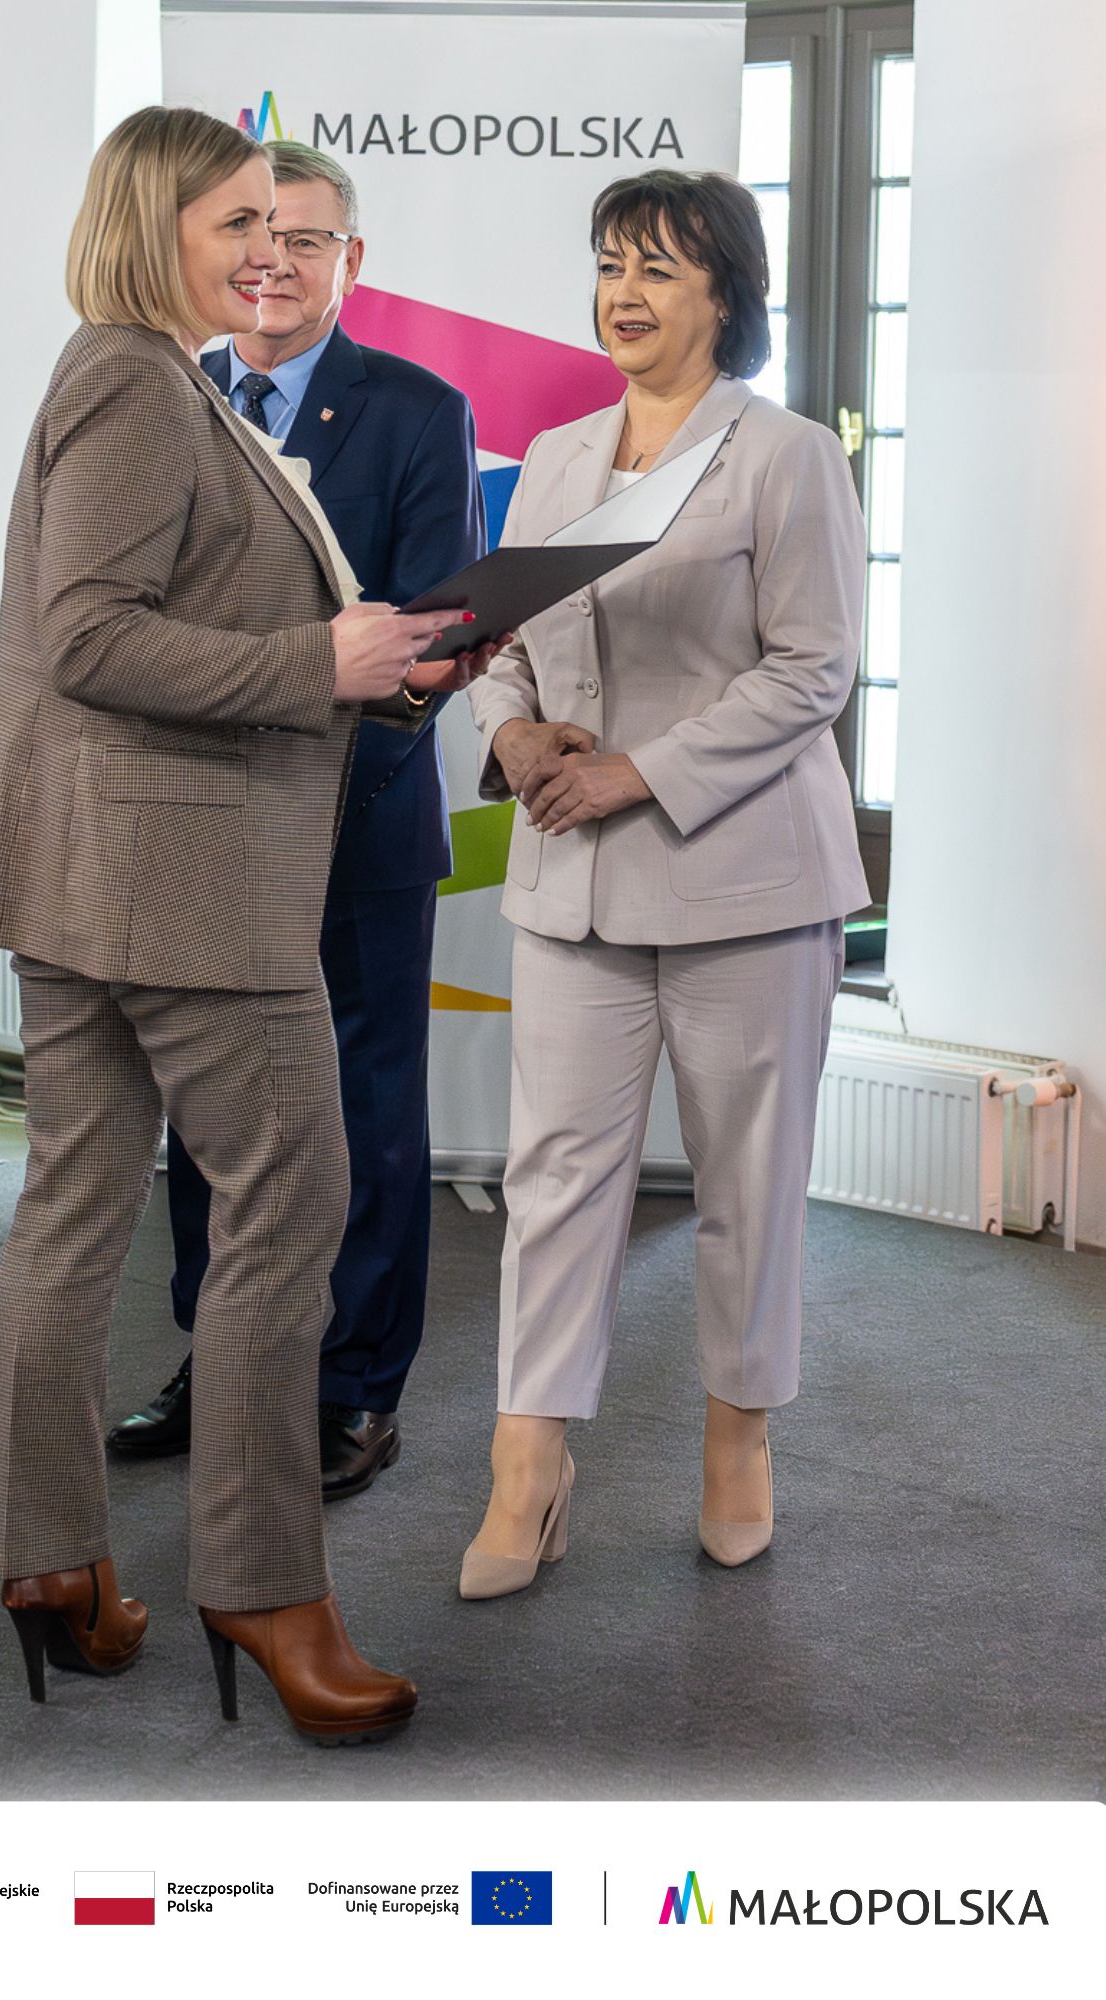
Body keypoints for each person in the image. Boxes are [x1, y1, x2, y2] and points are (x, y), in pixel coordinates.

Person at [0, 107, 489, 1741]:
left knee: (71, 1215)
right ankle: (262, 1585)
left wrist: (370, 659)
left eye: (284, 221)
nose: (270, 247)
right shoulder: (133, 379)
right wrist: (318, 663)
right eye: (236, 219)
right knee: (288, 1213)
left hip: (98, 874)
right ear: (151, 224)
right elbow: (93, 636)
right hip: (183, 887)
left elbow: (143, 623)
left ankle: (51, 1560)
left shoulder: (139, 372)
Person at [460, 169, 869, 1598]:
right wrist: (510, 733)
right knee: (555, 1181)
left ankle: (738, 1437)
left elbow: (812, 668)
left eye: (656, 268)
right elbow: (502, 642)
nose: (621, 293)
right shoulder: (556, 455)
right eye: (608, 264)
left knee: (746, 1178)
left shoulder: (785, 454)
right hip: (571, 878)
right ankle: (528, 1466)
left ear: (724, 295)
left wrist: (639, 772)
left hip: (740, 880)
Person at [107, 140, 484, 1502]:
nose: (271, 260)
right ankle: (220, 1359)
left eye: (306, 238)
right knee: (209, 1112)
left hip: (356, 820)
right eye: (252, 232)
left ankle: (353, 1384)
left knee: (362, 1112)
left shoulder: (418, 409)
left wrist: (336, 735)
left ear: (351, 260)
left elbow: (439, 626)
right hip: (204, 823)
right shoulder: (172, 391)